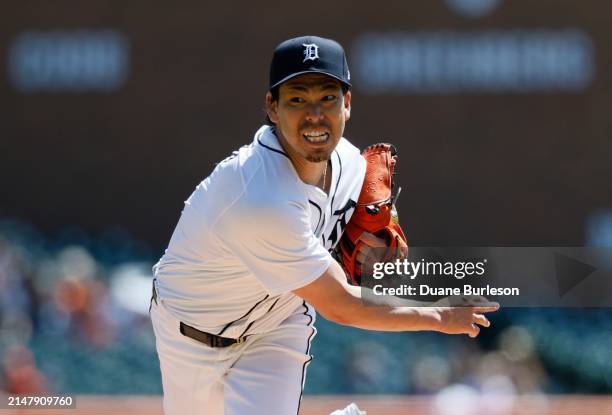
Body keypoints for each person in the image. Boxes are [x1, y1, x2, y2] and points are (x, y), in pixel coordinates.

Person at [149, 35, 498, 415]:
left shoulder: (351, 167)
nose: (314, 114)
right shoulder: (260, 196)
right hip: (190, 332)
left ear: (347, 104)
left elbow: (356, 264)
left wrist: (375, 256)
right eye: (297, 99)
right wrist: (438, 315)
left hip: (276, 326)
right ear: (272, 107)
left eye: (327, 98)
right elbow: (342, 306)